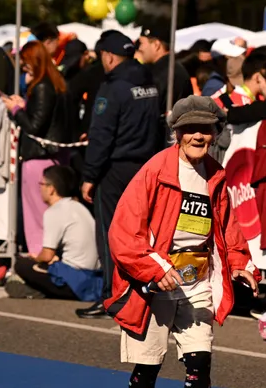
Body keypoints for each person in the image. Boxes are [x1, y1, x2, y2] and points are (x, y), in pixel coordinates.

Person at [105, 96, 260, 388]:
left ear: (215, 133)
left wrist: (241, 264)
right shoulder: (154, 171)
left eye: (205, 129)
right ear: (176, 133)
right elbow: (123, 233)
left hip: (196, 280)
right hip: (153, 282)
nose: (198, 136)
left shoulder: (216, 174)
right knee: (148, 365)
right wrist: (151, 270)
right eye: (190, 129)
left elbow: (228, 228)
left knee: (200, 362)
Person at [76, 31, 161, 319]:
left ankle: (111, 297)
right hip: (144, 168)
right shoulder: (149, 82)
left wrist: (90, 176)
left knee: (110, 235)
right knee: (139, 235)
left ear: (109, 57)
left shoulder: (113, 87)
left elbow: (102, 136)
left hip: (114, 170)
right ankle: (138, 295)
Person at [1, 40, 74, 256]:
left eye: (25, 63)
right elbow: (45, 117)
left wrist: (15, 110)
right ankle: (52, 254)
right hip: (56, 155)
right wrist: (25, 105)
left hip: (38, 157)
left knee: (37, 214)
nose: (24, 68)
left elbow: (34, 126)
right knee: (53, 211)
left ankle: (39, 256)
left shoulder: (42, 86)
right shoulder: (57, 83)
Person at [7, 165, 101, 301]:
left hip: (74, 280)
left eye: (42, 184)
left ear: (51, 189)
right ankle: (38, 289)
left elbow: (47, 255)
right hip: (95, 278)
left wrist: (35, 258)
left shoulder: (54, 211)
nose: (40, 188)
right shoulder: (79, 207)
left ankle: (38, 290)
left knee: (22, 264)